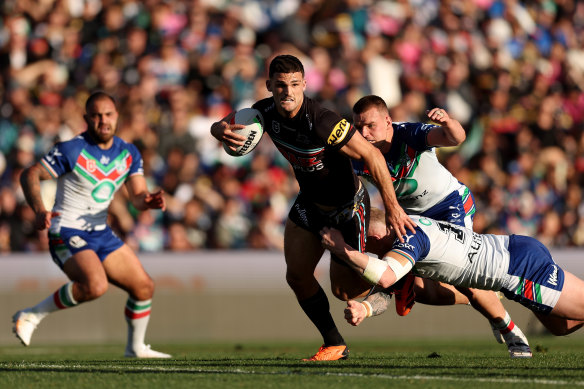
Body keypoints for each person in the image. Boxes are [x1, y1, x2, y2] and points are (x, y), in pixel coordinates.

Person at [210, 54, 416, 361]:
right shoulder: (262, 113)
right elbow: (224, 124)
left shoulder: (322, 120)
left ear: (305, 84)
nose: (288, 92)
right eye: (280, 85)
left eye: (294, 84)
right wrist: (217, 129)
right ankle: (334, 343)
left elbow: (371, 157)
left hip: (348, 209)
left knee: (343, 292)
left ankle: (391, 283)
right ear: (269, 86)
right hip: (309, 204)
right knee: (297, 276)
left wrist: (393, 207)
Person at [351, 95, 531, 358]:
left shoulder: (408, 134)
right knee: (434, 286)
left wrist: (447, 121)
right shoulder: (358, 153)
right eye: (358, 127)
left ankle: (510, 329)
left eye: (370, 126)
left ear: (388, 121)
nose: (364, 133)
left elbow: (455, 138)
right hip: (413, 218)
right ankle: (404, 284)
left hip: (450, 207)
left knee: (465, 277)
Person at [12, 91, 171, 359]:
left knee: (144, 287)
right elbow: (31, 174)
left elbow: (137, 196)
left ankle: (134, 348)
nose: (103, 120)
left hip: (100, 232)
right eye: (96, 115)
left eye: (108, 114)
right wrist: (40, 209)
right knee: (95, 286)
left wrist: (149, 200)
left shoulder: (129, 153)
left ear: (117, 116)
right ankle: (30, 315)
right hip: (67, 230)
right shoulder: (71, 149)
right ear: (86, 119)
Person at [321, 208, 584, 349]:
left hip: (519, 269)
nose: (372, 254)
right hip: (513, 253)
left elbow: (387, 277)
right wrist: (365, 308)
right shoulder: (409, 230)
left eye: (369, 248)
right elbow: (387, 289)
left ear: (376, 239)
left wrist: (342, 249)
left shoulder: (408, 240)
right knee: (561, 326)